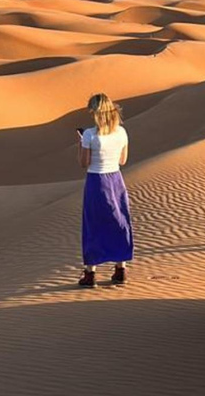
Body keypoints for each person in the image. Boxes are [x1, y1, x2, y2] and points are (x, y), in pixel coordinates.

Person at [77, 93, 133, 288]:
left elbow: (83, 163)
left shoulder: (89, 135)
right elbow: (122, 160)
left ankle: (90, 273)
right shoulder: (122, 132)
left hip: (96, 181)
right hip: (116, 180)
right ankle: (121, 269)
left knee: (93, 224)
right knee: (119, 221)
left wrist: (82, 144)